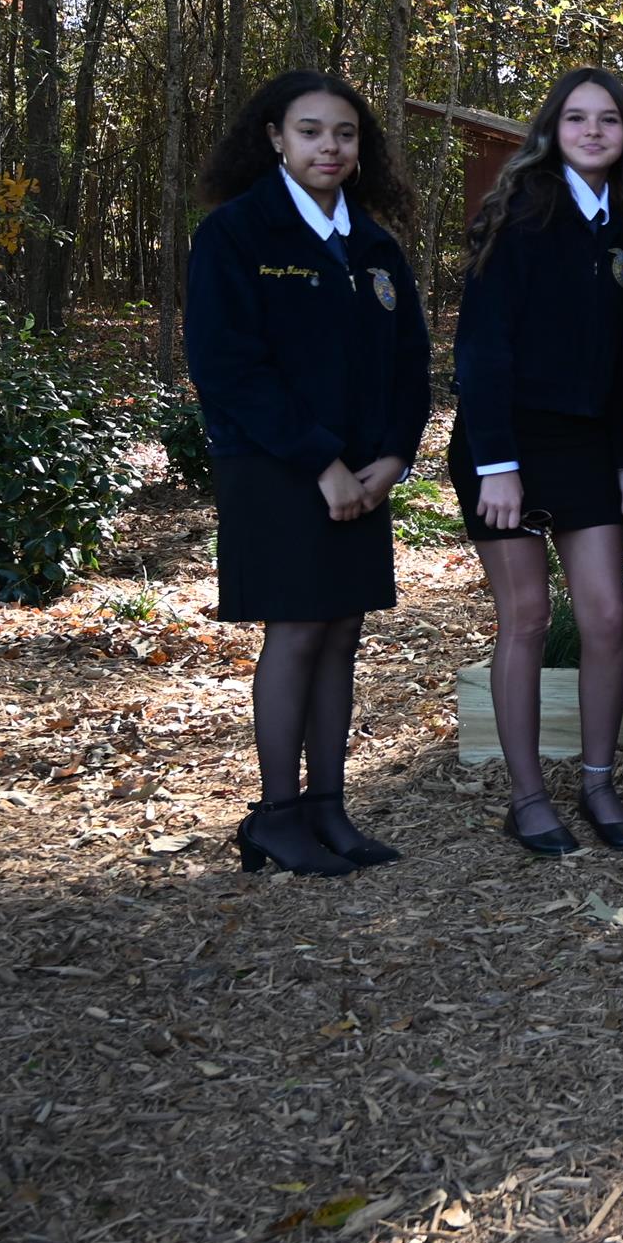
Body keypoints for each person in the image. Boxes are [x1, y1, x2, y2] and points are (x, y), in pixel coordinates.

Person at [184, 70, 430, 876]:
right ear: (275, 138)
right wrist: (320, 461)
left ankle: (329, 806)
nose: (330, 146)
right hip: (275, 468)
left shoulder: (374, 245)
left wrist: (392, 458)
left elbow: (411, 364)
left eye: (345, 133)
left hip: (364, 475)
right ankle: (276, 815)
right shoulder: (236, 235)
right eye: (312, 130)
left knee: (342, 632)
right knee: (295, 631)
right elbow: (227, 366)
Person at [452, 66, 623, 857]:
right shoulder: (519, 212)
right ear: (552, 129)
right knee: (528, 617)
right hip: (507, 442)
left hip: (590, 447)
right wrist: (497, 463)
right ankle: (528, 796)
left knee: (607, 617)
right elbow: (482, 348)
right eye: (577, 118)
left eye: (608, 119)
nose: (593, 131)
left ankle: (598, 783)